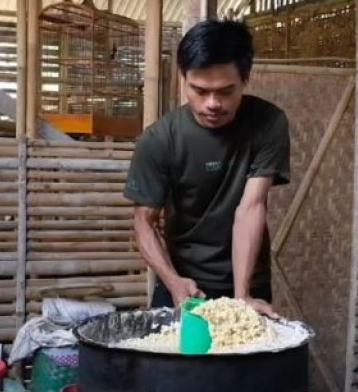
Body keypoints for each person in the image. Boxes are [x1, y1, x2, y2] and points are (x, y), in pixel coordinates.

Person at [123, 19, 290, 316]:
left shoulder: (268, 123)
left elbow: (251, 207)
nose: (212, 103)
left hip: (249, 279)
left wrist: (242, 296)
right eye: (199, 91)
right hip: (183, 282)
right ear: (182, 79)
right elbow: (143, 223)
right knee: (175, 360)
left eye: (226, 91)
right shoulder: (159, 140)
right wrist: (173, 282)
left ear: (245, 78)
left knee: (248, 359)